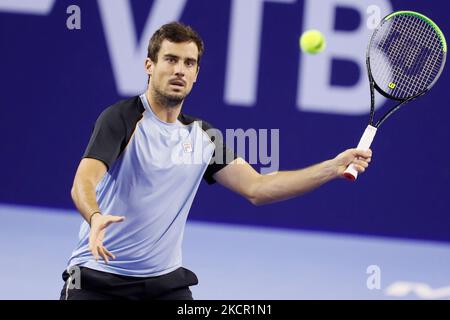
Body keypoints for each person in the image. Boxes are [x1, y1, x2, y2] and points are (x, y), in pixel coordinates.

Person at [60, 22, 372, 300]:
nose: (179, 70)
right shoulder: (121, 118)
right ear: (149, 65)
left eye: (189, 63)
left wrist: (332, 166)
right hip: (97, 280)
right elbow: (83, 181)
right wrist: (95, 216)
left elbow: (258, 188)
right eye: (170, 60)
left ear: (196, 74)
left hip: (163, 285)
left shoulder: (202, 137)